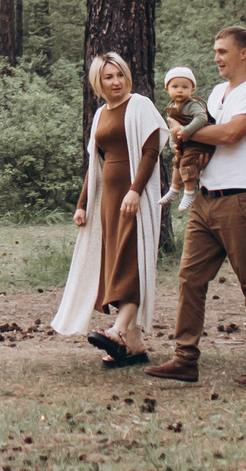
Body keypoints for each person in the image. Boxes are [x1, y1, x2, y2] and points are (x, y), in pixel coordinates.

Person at [146, 25, 246, 387]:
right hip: (205, 197)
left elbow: (231, 134)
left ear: (243, 54)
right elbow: (205, 138)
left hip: (241, 198)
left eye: (222, 51)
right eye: (215, 51)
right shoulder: (218, 93)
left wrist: (180, 131)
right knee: (190, 278)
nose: (216, 57)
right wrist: (184, 141)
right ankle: (185, 359)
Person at [49, 51, 166, 366]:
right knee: (114, 264)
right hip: (108, 201)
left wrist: (135, 191)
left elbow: (151, 152)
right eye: (108, 77)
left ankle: (116, 330)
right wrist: (83, 204)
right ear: (98, 83)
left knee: (132, 262)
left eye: (120, 75)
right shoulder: (101, 114)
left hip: (134, 198)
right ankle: (136, 348)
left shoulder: (139, 105)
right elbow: (94, 163)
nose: (116, 82)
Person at [161, 66, 207, 211]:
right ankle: (174, 190)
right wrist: (173, 144)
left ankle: (189, 191)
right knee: (177, 162)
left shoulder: (192, 105)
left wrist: (187, 131)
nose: (180, 90)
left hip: (196, 142)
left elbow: (202, 118)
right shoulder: (172, 106)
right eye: (175, 86)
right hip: (183, 143)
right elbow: (171, 128)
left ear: (192, 90)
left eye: (185, 87)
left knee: (187, 161)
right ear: (167, 89)